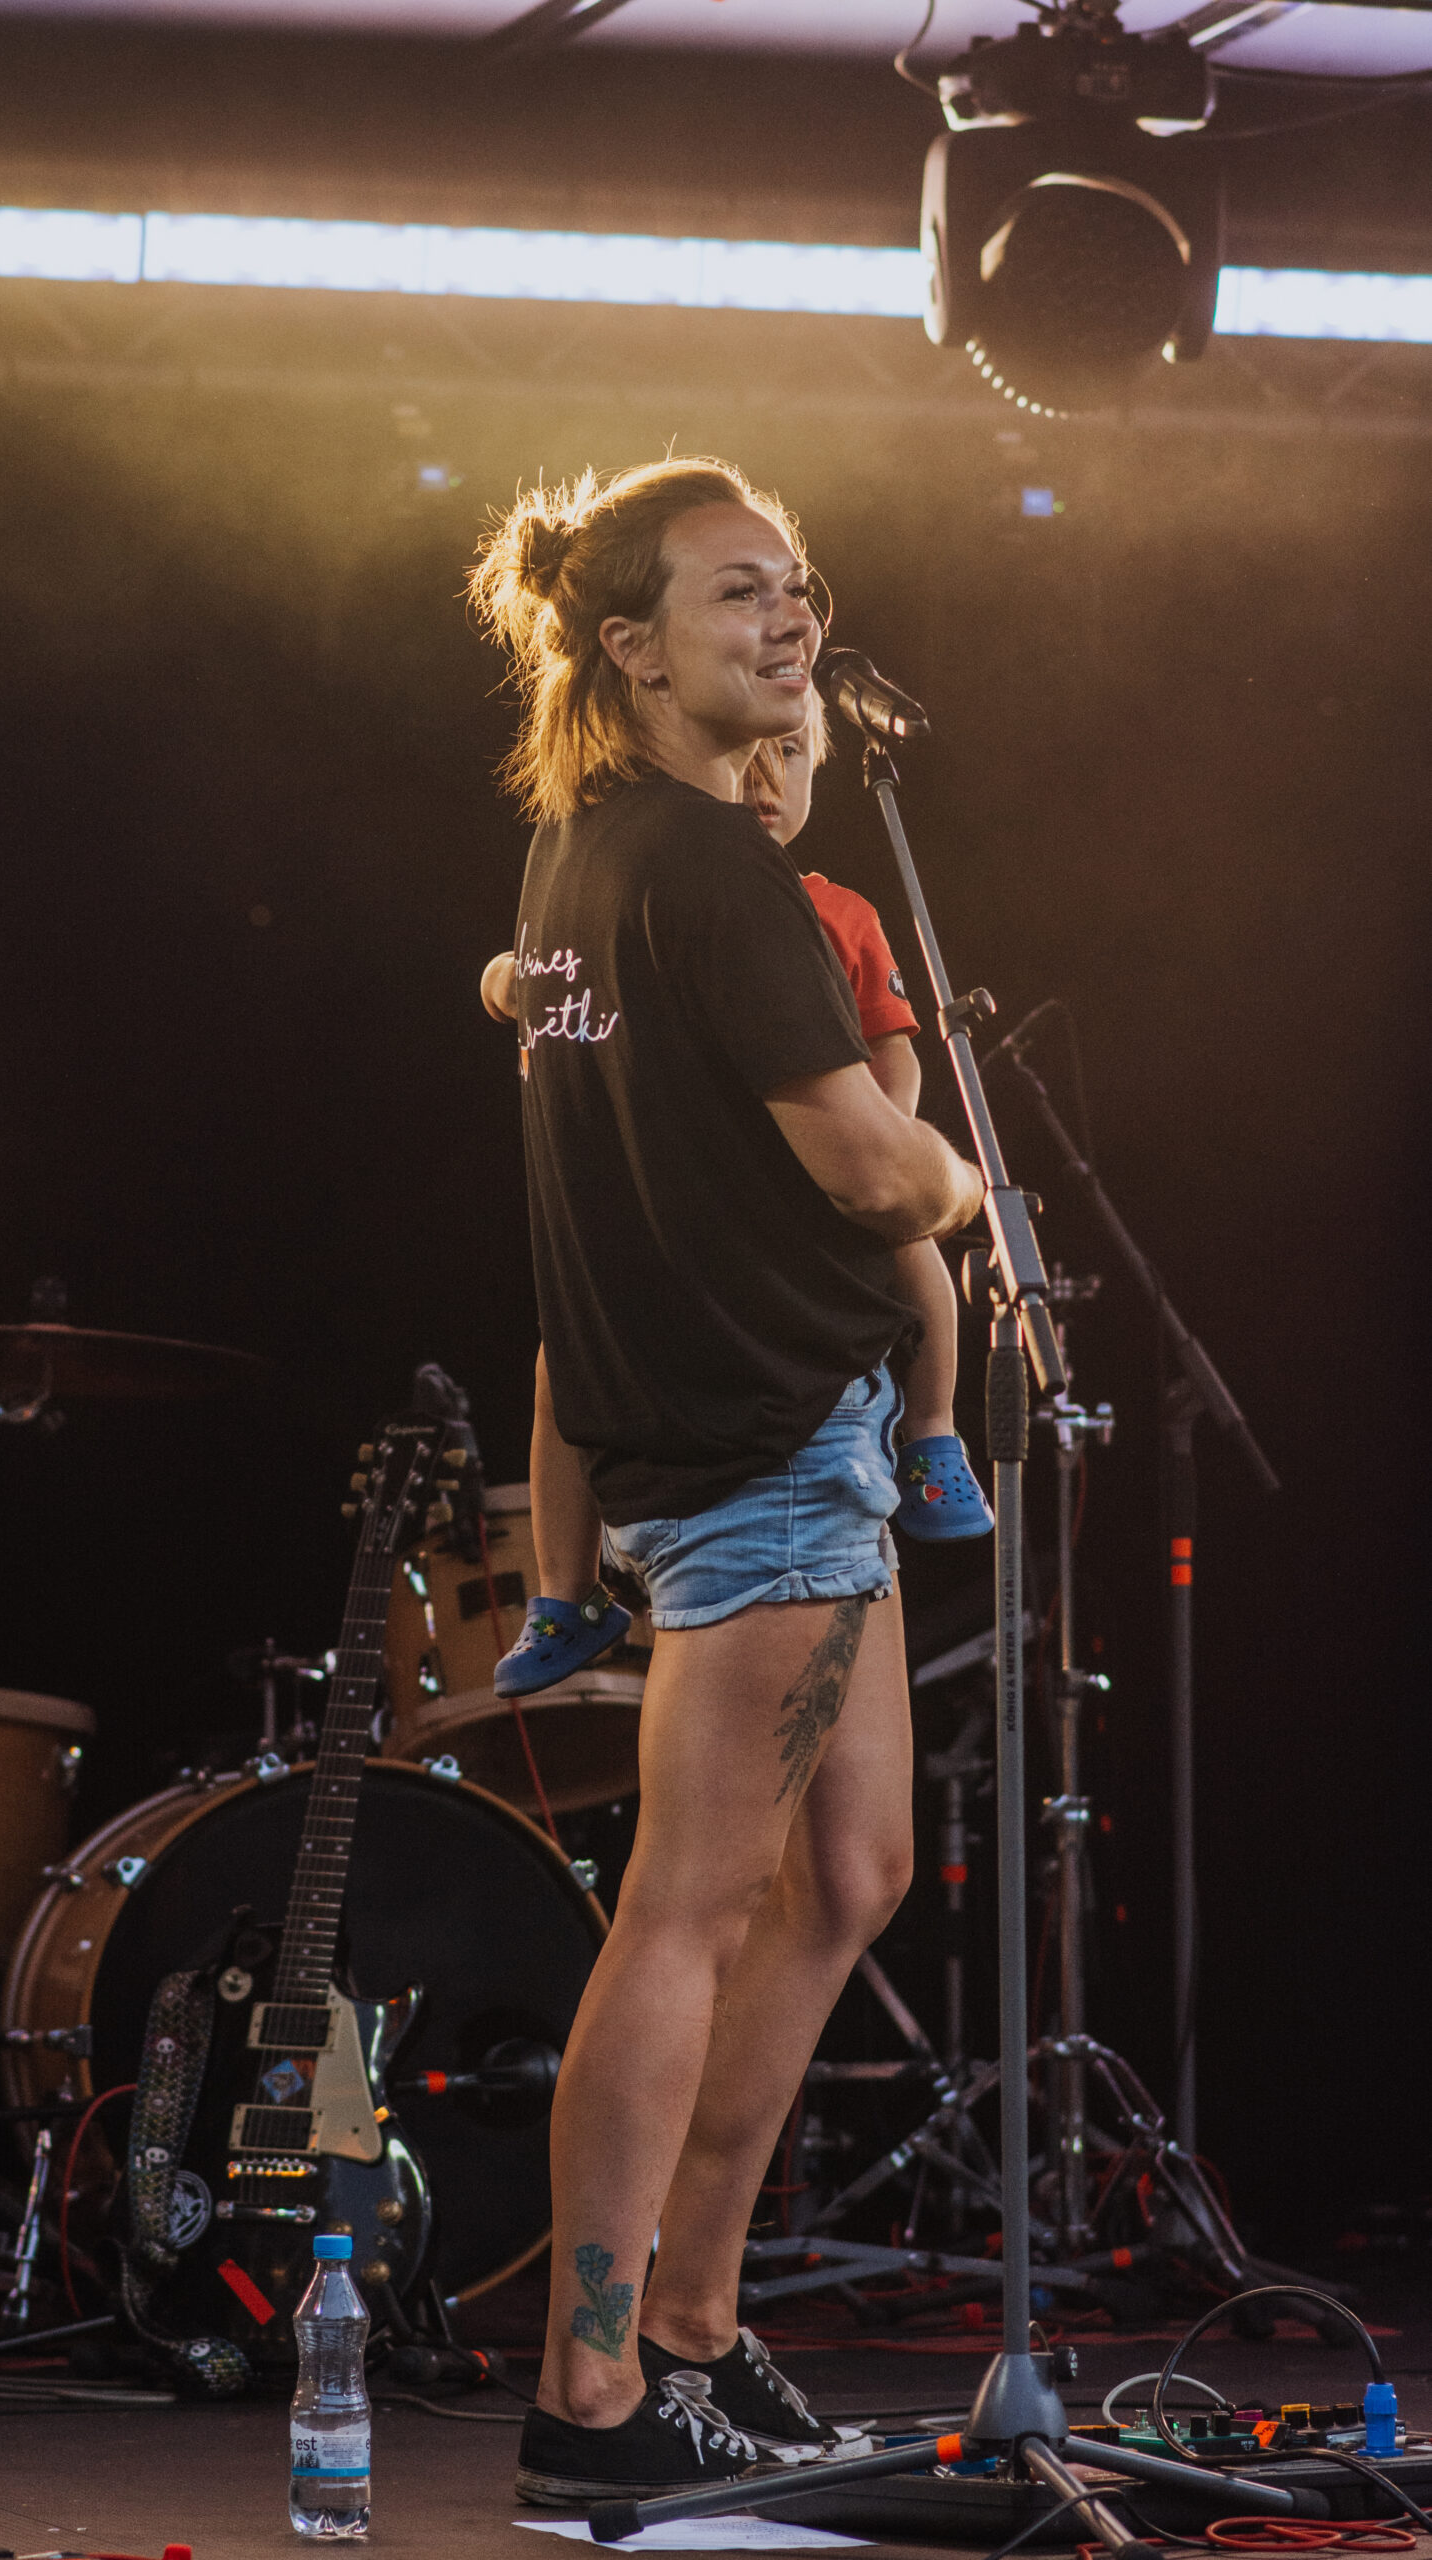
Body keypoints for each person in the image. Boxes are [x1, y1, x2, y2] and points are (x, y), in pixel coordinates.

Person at [467, 457, 985, 2505]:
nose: (789, 620)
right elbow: (867, 1168)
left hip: (790, 1438)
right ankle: (586, 2402)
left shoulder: (581, 861)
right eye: (737, 593)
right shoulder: (702, 866)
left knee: (846, 1874)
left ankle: (687, 2326)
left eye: (798, 588)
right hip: (757, 1445)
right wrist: (963, 1185)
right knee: (683, 1906)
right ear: (630, 648)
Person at [479, 709, 992, 1701]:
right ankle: (563, 1593)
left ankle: (933, 1436)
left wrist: (885, 1142)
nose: (765, 773)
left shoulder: (834, 911)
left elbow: (894, 1054)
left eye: (789, 753)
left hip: (825, 1201)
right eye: (750, 751)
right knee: (560, 1366)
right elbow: (530, 978)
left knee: (917, 1252)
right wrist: (503, 977)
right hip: (701, 1262)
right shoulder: (660, 881)